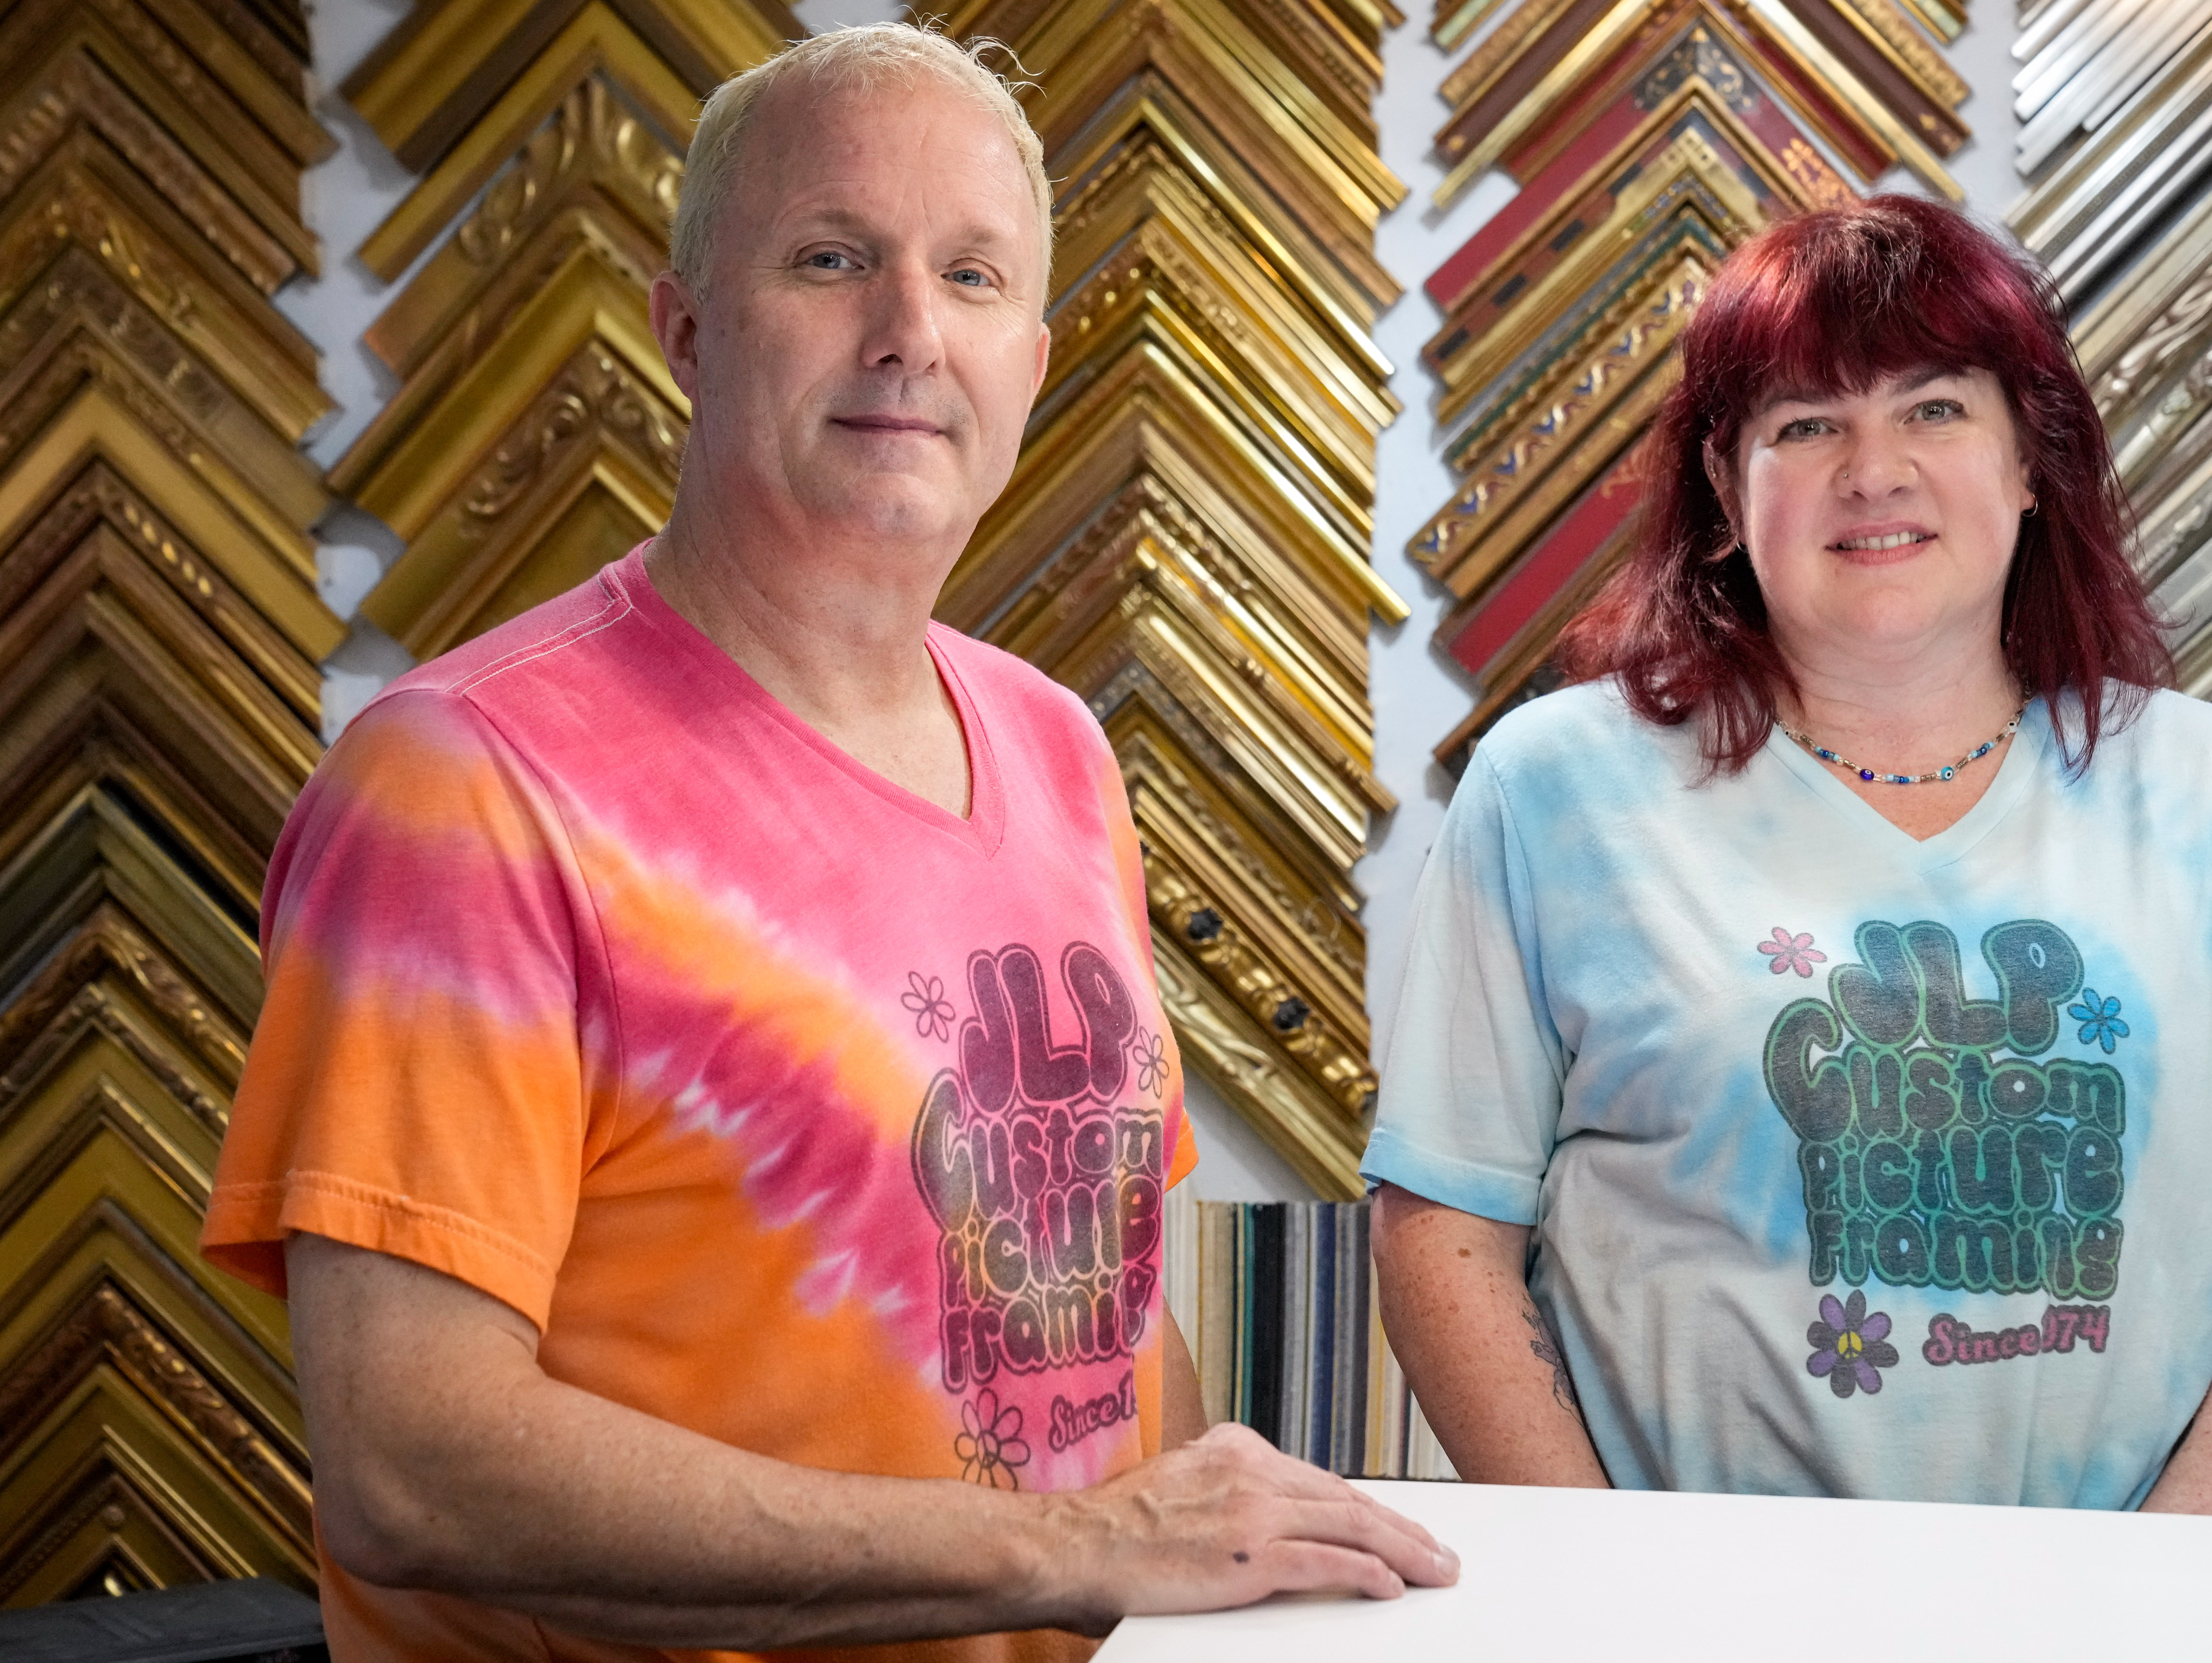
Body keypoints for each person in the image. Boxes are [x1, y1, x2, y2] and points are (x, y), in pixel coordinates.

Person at [202, 24, 1452, 1660]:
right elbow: (413, 1467)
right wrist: (1060, 1551)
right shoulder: (467, 787)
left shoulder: (1054, 746)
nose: (909, 334)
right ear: (686, 330)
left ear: (1034, 359)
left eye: (974, 277)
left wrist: (1197, 1565)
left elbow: (1107, 1299)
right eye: (829, 258)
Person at [1365, 195, 2212, 1513]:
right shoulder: (1557, 787)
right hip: (1693, 1616)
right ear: (1724, 497)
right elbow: (1443, 1229)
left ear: (2031, 464)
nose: (1874, 471)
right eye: (1806, 425)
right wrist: (1614, 1591)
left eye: (1933, 408)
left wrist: (2162, 1595)